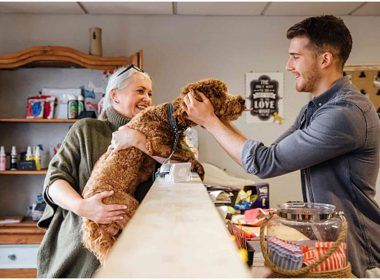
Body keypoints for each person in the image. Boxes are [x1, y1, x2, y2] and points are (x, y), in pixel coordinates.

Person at [183, 15, 380, 278]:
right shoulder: (316, 108)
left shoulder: (345, 113)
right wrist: (214, 120)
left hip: (360, 255)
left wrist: (209, 120)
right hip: (332, 246)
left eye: (296, 57)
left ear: (324, 59)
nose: (289, 66)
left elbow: (264, 163)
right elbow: (267, 155)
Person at [37, 64, 154, 277]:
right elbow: (54, 181)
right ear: (115, 95)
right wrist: (83, 207)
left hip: (134, 250)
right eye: (140, 91)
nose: (147, 98)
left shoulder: (153, 139)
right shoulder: (87, 130)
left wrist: (140, 141)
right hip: (81, 249)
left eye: (149, 93)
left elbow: (187, 168)